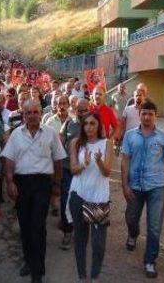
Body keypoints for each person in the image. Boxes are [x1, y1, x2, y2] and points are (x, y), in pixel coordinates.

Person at [1, 100, 67, 283]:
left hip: (42, 184)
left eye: (35, 112)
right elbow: (9, 160)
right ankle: (28, 261)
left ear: (40, 113)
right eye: (28, 112)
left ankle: (37, 268)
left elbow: (58, 160)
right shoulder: (16, 134)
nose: (32, 115)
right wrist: (10, 181)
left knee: (37, 226)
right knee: (25, 226)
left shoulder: (50, 133)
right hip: (22, 183)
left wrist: (56, 186)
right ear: (24, 114)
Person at [121, 100, 164, 279]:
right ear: (139, 115)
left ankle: (150, 261)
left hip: (157, 187)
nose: (147, 117)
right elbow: (125, 161)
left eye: (150, 114)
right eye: (144, 113)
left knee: (154, 226)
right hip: (135, 186)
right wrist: (124, 185)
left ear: (156, 116)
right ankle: (133, 234)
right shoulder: (130, 136)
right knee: (131, 217)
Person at [67, 112, 114, 282]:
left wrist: (99, 161)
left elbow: (107, 171)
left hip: (99, 198)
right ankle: (82, 276)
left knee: (98, 244)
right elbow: (73, 169)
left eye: (93, 123)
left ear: (99, 125)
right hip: (78, 195)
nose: (89, 127)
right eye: (86, 124)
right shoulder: (76, 143)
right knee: (80, 240)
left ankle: (95, 276)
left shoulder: (107, 143)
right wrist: (84, 164)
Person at [59, 98, 91, 250]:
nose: (82, 114)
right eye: (79, 110)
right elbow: (60, 141)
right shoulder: (68, 123)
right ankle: (67, 231)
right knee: (66, 199)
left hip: (86, 171)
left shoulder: (94, 125)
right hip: (67, 169)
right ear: (75, 109)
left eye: (85, 110)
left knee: (85, 203)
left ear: (89, 109)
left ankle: (82, 234)